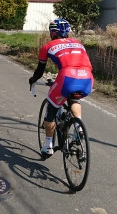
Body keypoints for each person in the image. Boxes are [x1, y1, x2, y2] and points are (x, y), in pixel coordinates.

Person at [28, 19, 93, 157]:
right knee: (74, 100)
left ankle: (48, 146)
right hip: (87, 78)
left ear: (52, 32)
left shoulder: (48, 46)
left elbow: (40, 71)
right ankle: (78, 127)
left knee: (51, 110)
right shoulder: (79, 44)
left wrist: (33, 80)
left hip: (67, 78)